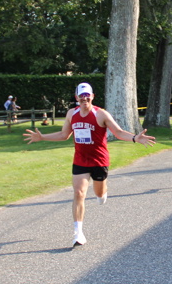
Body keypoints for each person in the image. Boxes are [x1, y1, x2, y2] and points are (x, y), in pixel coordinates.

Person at [24, 82, 156, 247]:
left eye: (87, 95)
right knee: (79, 193)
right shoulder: (72, 114)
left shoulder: (101, 114)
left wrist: (135, 138)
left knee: (99, 194)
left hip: (99, 161)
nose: (84, 98)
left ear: (92, 96)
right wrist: (42, 137)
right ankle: (78, 233)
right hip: (81, 160)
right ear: (76, 97)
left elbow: (118, 132)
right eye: (81, 96)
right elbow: (64, 135)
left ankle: (102, 193)